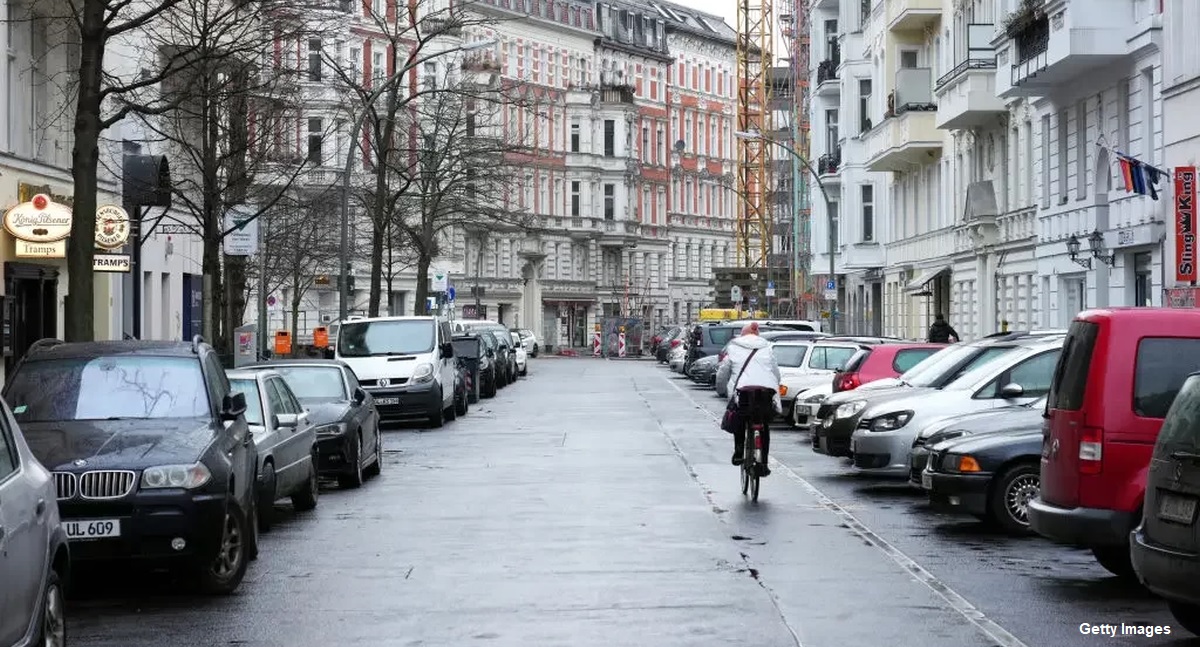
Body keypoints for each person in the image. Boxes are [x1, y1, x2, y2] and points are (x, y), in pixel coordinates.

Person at [723, 322, 782, 476]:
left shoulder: (734, 347)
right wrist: (776, 384)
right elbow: (775, 372)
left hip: (743, 391)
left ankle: (738, 451)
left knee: (739, 418)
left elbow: (725, 371)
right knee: (764, 424)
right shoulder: (767, 347)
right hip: (765, 391)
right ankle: (764, 462)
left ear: (743, 335)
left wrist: (725, 389)